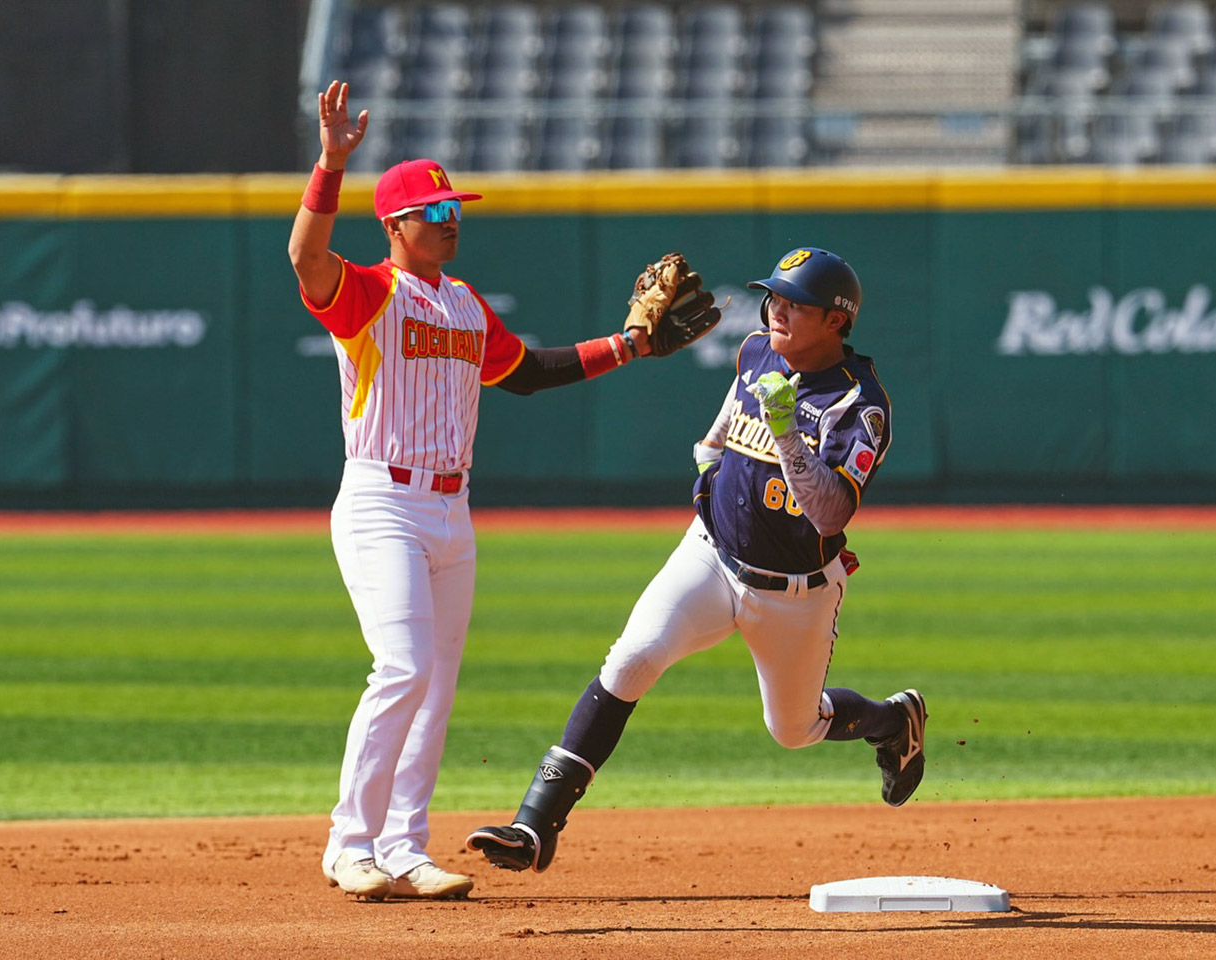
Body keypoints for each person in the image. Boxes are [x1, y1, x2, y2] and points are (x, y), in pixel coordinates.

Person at [288, 81, 714, 900]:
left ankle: (405, 846)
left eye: (454, 207)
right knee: (403, 667)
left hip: (453, 508)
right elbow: (306, 259)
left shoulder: (465, 304)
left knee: (437, 683)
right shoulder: (369, 295)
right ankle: (350, 843)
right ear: (397, 225)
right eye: (435, 210)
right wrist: (330, 165)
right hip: (382, 499)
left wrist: (627, 345)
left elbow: (526, 373)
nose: (451, 219)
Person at [466, 246, 924, 875]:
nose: (777, 310)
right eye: (775, 298)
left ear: (836, 321)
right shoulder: (758, 351)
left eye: (795, 304)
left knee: (793, 728)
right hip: (710, 554)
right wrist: (710, 469)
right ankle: (534, 825)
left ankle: (893, 723)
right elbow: (718, 434)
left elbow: (831, 516)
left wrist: (787, 433)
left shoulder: (859, 406)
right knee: (631, 659)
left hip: (794, 592)